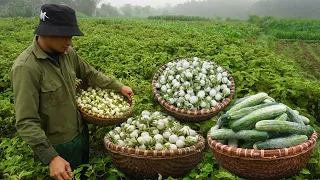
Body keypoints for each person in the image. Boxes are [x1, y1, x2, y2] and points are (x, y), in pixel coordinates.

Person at [10, 4, 134, 180]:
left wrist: (118, 87)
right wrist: (51, 157)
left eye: (71, 36)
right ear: (47, 31)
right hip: (58, 146)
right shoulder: (26, 68)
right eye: (65, 35)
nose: (70, 41)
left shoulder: (68, 53)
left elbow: (90, 74)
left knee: (84, 174)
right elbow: (26, 121)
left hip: (80, 133)